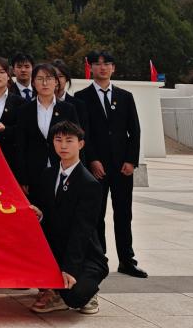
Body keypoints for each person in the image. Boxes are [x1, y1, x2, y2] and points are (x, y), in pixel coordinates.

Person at [73, 51, 146, 278]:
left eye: (107, 64)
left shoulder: (125, 97)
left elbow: (134, 131)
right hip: (96, 168)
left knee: (123, 214)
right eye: (97, 64)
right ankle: (99, 258)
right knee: (96, 215)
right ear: (90, 68)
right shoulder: (81, 97)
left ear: (113, 68)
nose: (102, 68)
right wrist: (92, 159)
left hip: (122, 167)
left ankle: (127, 260)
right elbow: (83, 133)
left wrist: (131, 161)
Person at [28, 120, 107, 316]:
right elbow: (49, 213)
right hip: (57, 250)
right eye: (58, 140)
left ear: (80, 144)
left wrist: (69, 269)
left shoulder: (89, 184)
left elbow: (82, 231)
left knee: (75, 295)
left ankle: (88, 292)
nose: (63, 145)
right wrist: (41, 215)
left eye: (69, 140)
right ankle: (56, 291)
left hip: (84, 254)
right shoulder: (47, 175)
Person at [15, 62, 81, 200]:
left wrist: (78, 171)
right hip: (33, 172)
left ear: (56, 82)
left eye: (49, 78)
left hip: (62, 169)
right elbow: (20, 146)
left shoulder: (68, 109)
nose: (44, 83)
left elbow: (76, 141)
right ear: (33, 83)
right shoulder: (24, 110)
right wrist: (22, 177)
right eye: (40, 79)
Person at [53, 59, 89, 139]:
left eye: (60, 76)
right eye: (53, 76)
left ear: (67, 79)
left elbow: (83, 134)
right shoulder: (40, 103)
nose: (57, 80)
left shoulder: (78, 105)